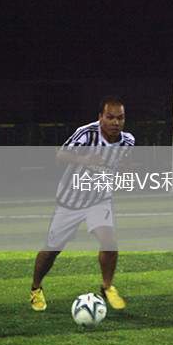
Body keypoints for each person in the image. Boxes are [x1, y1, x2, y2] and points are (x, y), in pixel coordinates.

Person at [30, 96, 134, 311]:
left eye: (120, 118)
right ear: (101, 117)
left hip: (100, 199)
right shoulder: (86, 134)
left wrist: (125, 169)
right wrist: (85, 160)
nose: (116, 122)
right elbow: (60, 155)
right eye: (110, 117)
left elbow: (122, 163)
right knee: (52, 250)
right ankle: (36, 287)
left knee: (109, 241)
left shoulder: (128, 141)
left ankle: (107, 286)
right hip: (70, 200)